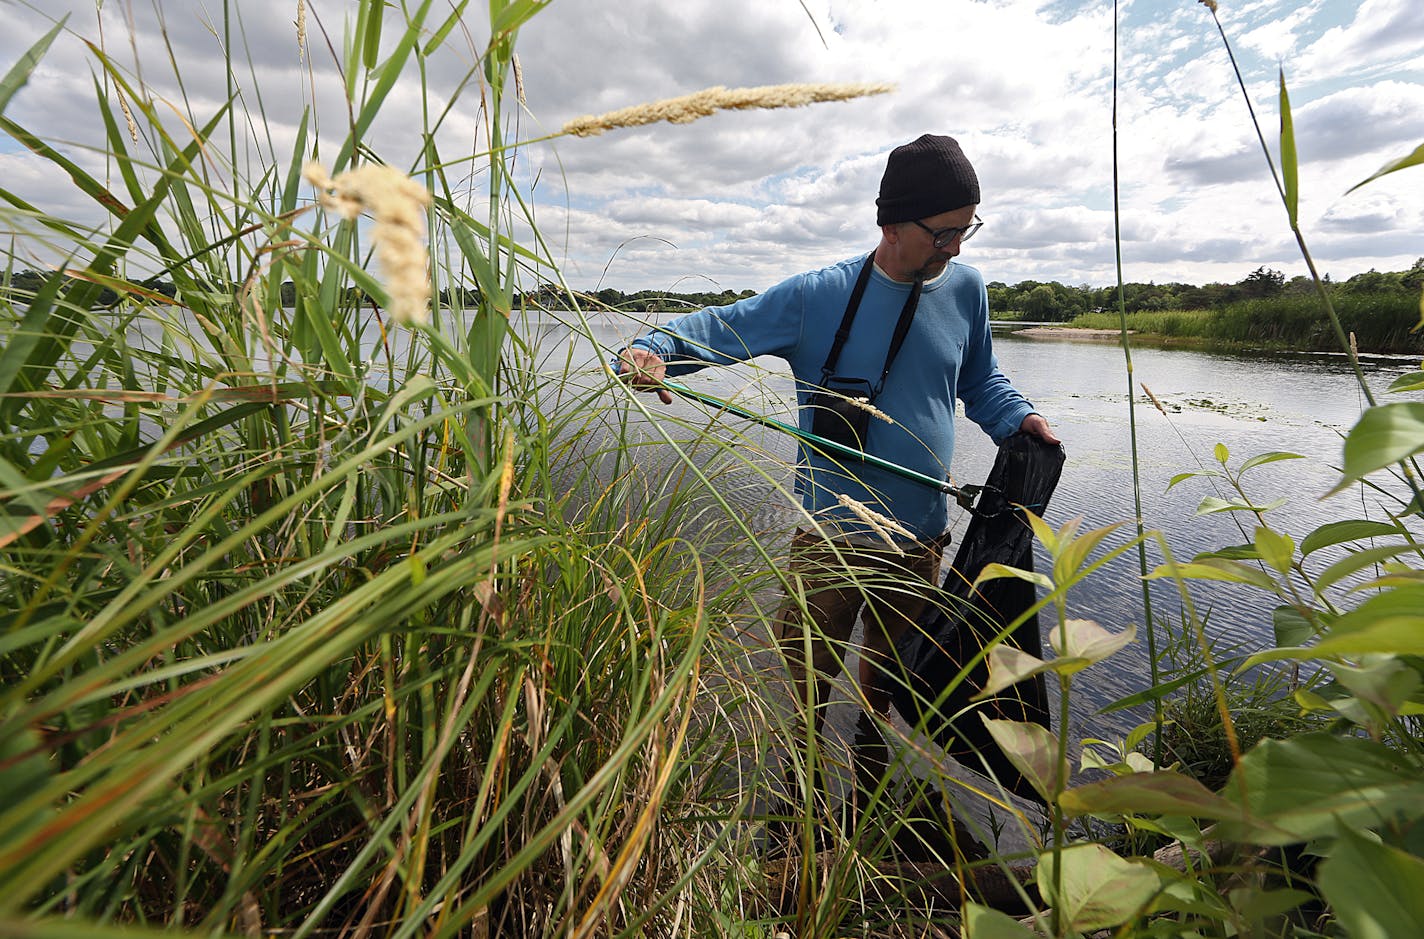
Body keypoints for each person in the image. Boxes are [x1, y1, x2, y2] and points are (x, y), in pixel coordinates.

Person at [615, 134, 1059, 798]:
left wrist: (1019, 419)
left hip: (918, 546)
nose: (958, 249)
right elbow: (716, 328)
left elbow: (981, 381)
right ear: (892, 223)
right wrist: (649, 349)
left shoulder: (966, 289)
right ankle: (795, 808)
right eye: (944, 234)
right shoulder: (814, 297)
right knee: (807, 695)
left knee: (886, 695)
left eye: (967, 230)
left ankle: (867, 806)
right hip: (828, 544)